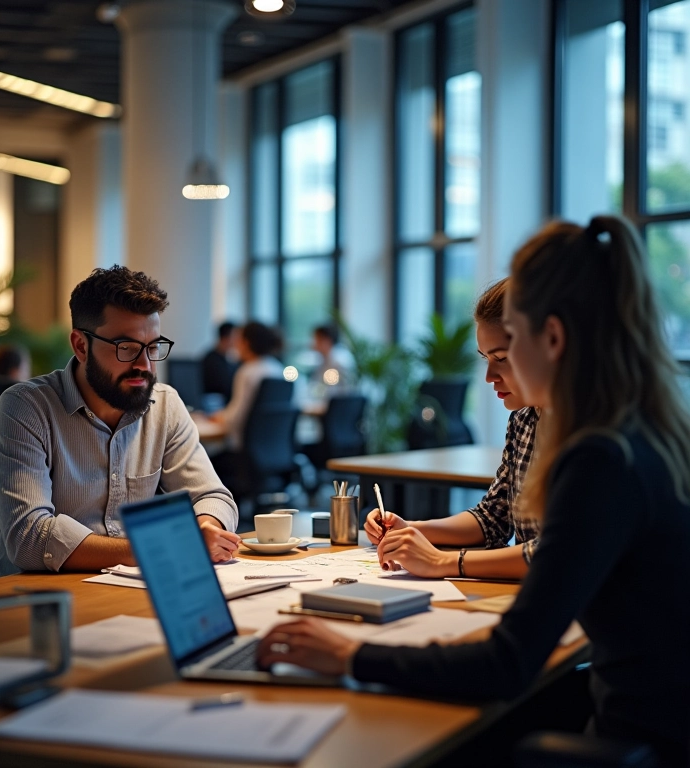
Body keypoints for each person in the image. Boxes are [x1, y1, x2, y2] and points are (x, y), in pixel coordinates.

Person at [258, 215, 690, 766]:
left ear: (552, 338)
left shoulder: (600, 460)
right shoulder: (642, 433)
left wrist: (351, 654)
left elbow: (506, 664)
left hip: (635, 741)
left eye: (511, 345)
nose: (491, 377)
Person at [0, 265, 239, 577]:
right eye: (127, 348)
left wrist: (205, 527)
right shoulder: (27, 407)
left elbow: (213, 497)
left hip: (130, 585)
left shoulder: (165, 405)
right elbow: (29, 538)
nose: (144, 365)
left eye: (152, 347)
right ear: (81, 346)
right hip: (38, 594)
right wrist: (159, 547)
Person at [365, 278, 540, 581]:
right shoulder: (524, 420)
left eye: (501, 358)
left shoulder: (588, 433)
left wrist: (444, 561)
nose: (489, 376)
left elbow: (557, 551)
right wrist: (410, 530)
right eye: (486, 359)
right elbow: (493, 519)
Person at [209, 321, 284, 450]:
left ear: (246, 343)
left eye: (238, 339)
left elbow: (235, 418)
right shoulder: (278, 369)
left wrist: (217, 417)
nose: (235, 345)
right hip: (275, 449)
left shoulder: (247, 372)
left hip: (244, 451)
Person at [309, 324, 355, 399]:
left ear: (326, 341)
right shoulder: (326, 359)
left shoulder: (338, 361)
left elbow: (334, 392)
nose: (313, 344)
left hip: (338, 403)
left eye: (316, 340)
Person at [201, 321, 239, 404]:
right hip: (215, 401)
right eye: (235, 337)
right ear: (226, 337)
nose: (237, 341)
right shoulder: (212, 360)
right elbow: (223, 386)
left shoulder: (228, 359)